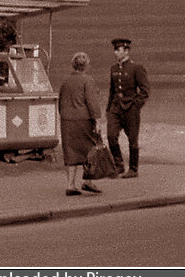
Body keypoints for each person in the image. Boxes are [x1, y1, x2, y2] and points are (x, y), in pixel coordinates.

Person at [58, 51, 103, 196]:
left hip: (67, 121)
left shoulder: (65, 81)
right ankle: (88, 182)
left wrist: (65, 115)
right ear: (86, 65)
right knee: (89, 150)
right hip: (84, 121)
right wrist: (97, 120)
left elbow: (60, 103)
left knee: (71, 152)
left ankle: (70, 185)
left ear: (73, 65)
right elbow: (92, 102)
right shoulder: (87, 80)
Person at [106, 38, 149, 178]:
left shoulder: (136, 68)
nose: (115, 53)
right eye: (115, 50)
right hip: (116, 108)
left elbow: (144, 91)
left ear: (126, 51)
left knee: (133, 139)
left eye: (118, 50)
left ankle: (133, 169)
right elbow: (112, 91)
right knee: (111, 136)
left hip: (130, 108)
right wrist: (108, 109)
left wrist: (136, 106)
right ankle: (118, 165)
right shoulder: (113, 69)